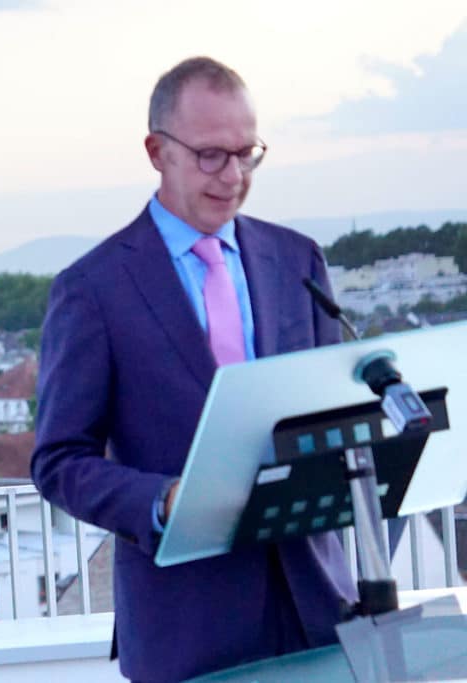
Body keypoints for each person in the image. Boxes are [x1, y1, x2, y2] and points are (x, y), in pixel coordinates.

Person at [30, 57, 356, 682]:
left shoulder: (299, 260)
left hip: (319, 607)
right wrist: (162, 500)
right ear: (157, 151)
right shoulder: (92, 288)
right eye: (211, 155)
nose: (233, 175)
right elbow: (58, 461)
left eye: (247, 153)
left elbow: (334, 413)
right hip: (187, 629)